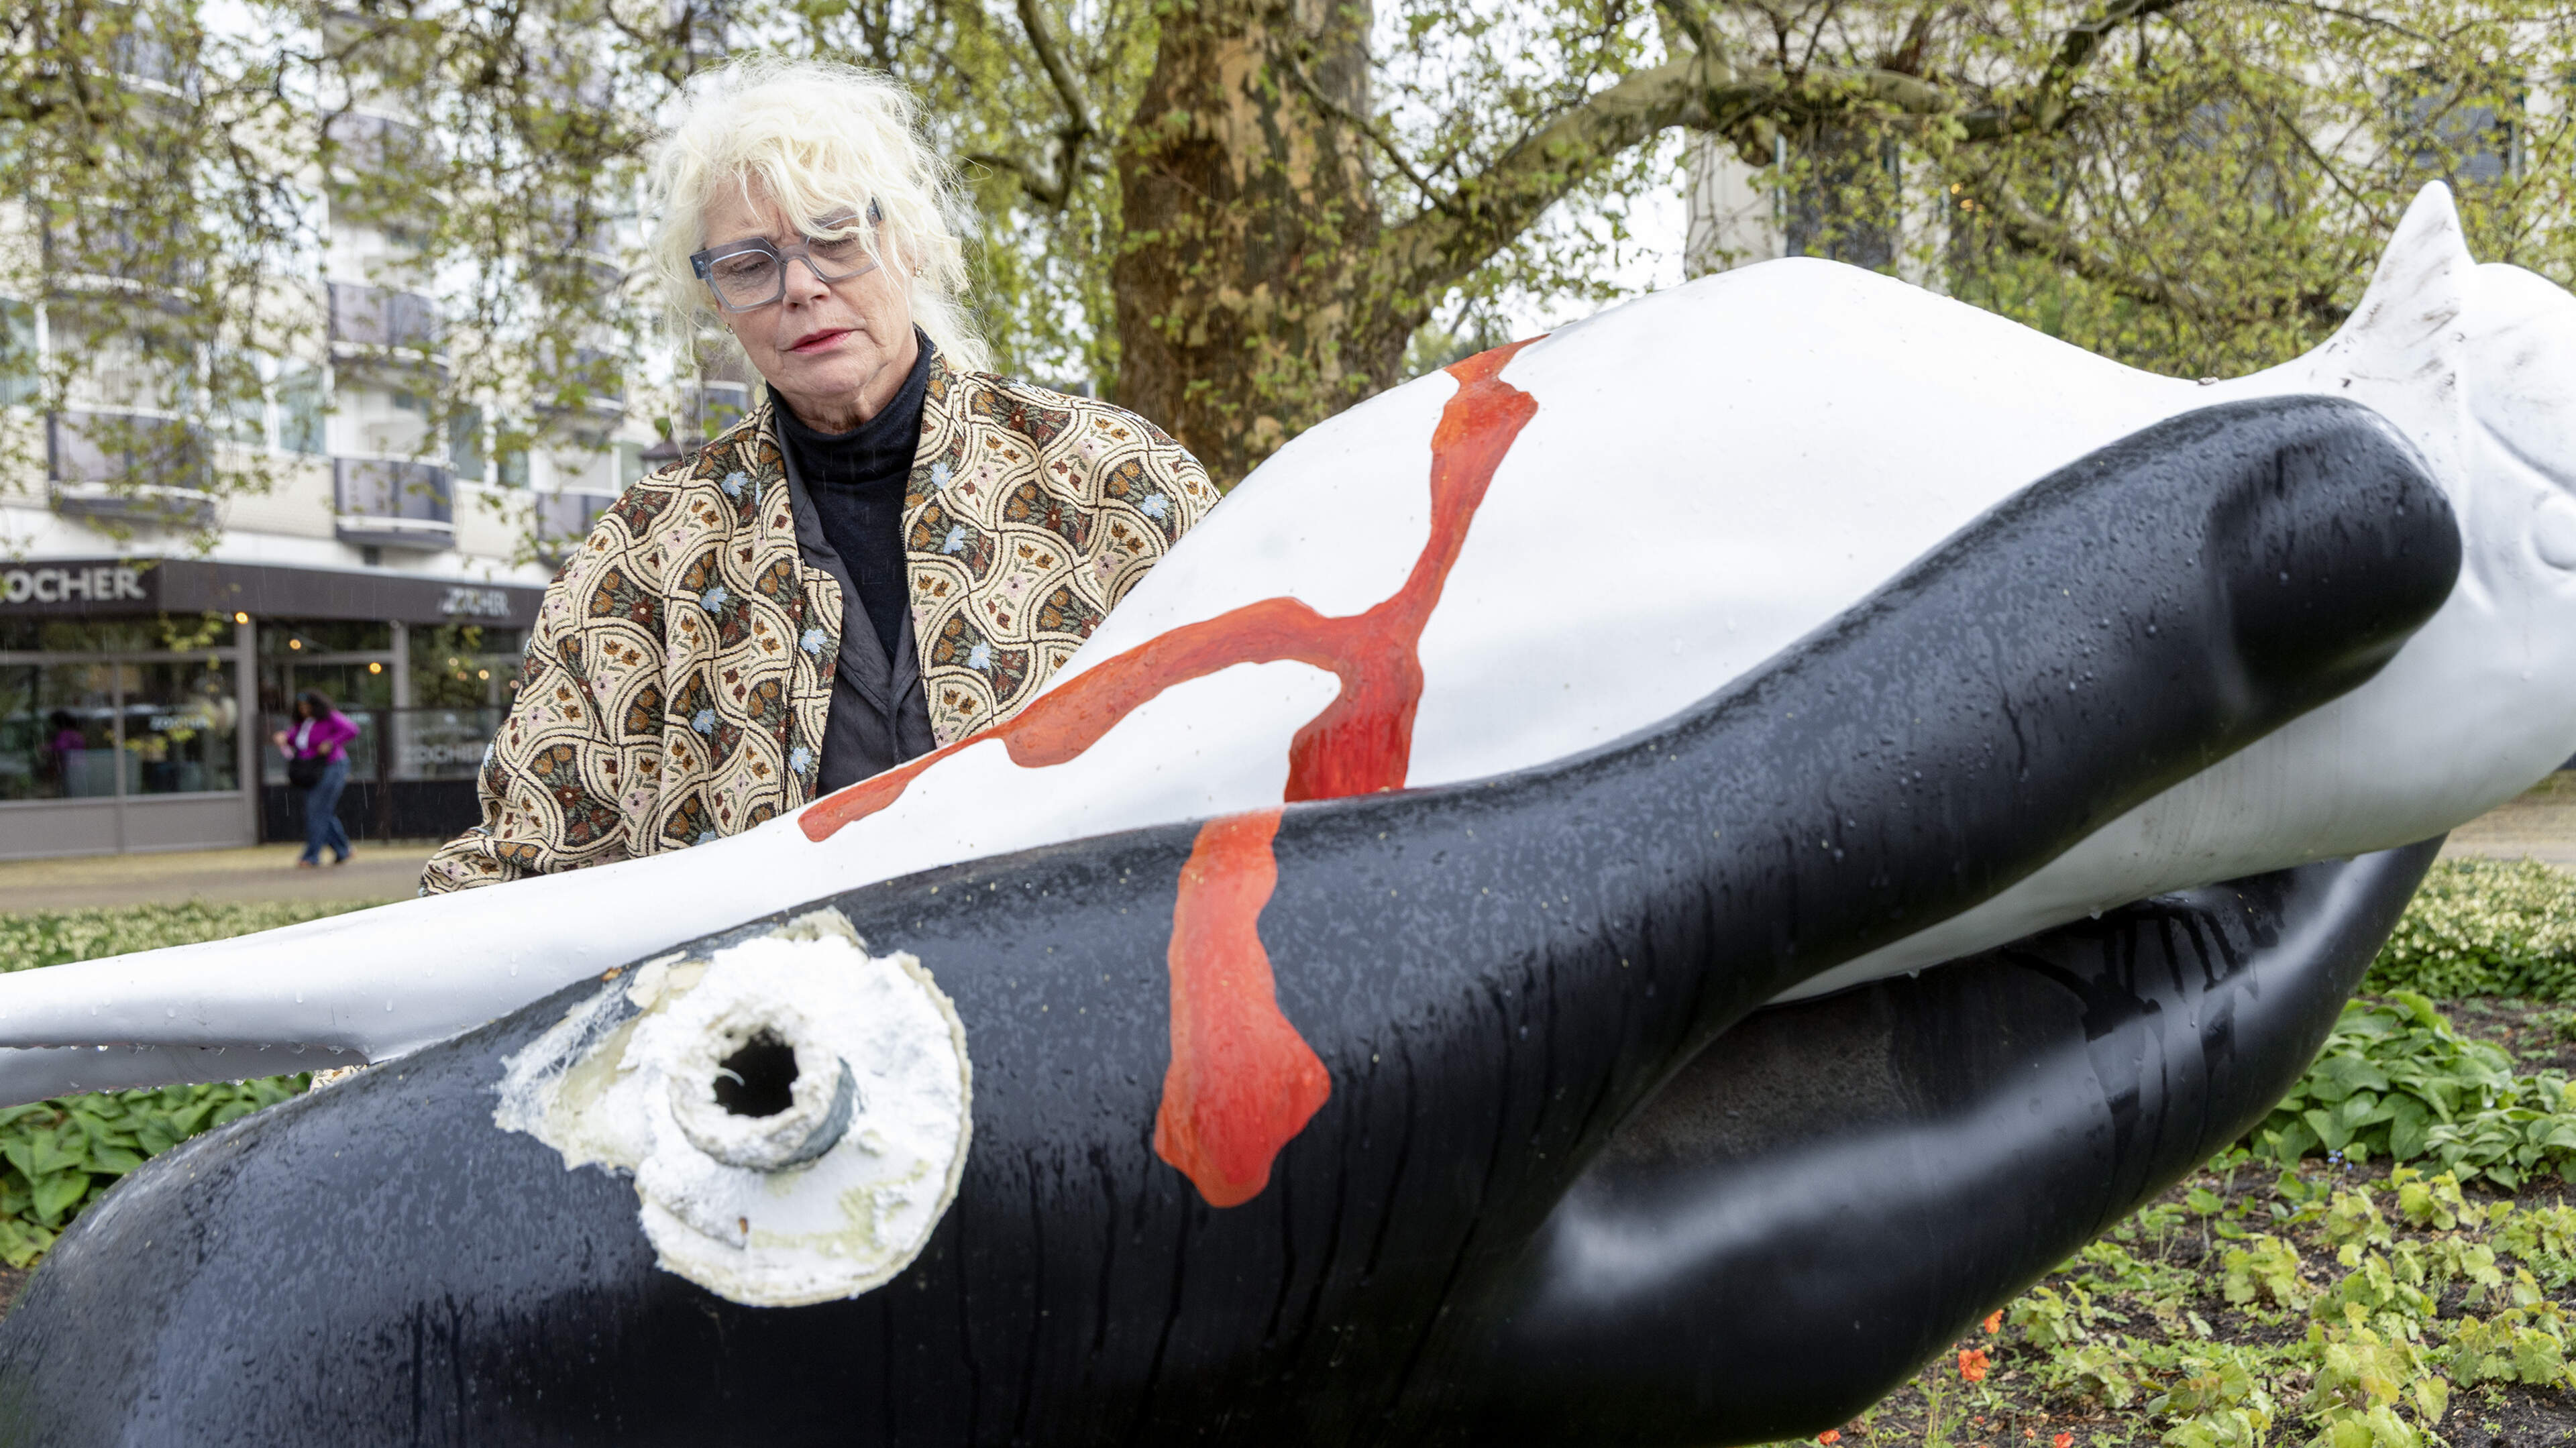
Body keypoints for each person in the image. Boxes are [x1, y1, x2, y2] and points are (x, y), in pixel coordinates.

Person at [421, 59, 1220, 895]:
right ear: (717, 301)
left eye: (836, 238)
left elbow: (1251, 740)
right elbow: (526, 860)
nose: (800, 287)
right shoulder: (644, 559)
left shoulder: (1114, 480)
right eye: (748, 264)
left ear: (909, 242)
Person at [274, 691, 358, 869]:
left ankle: (311, 855)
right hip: (310, 769)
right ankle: (343, 849)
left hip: (332, 766)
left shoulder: (330, 717)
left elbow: (351, 729)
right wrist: (284, 737)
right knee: (321, 810)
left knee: (317, 810)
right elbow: (297, 740)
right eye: (301, 708)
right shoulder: (303, 723)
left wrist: (331, 742)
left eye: (308, 707)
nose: (304, 710)